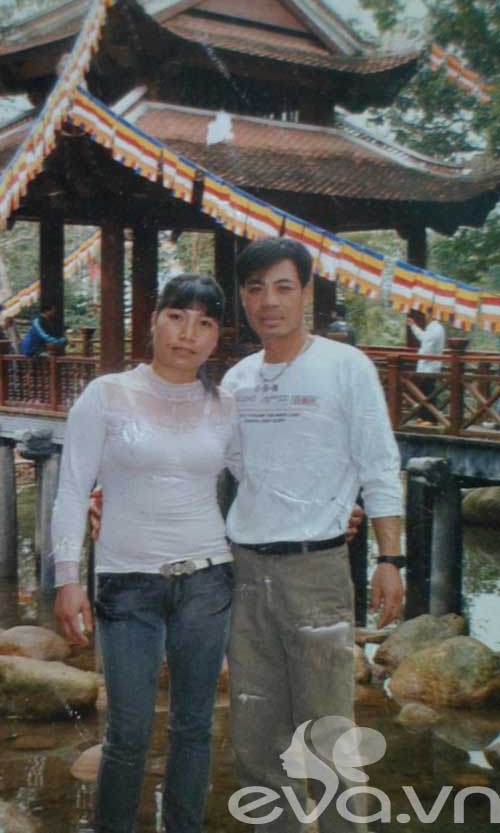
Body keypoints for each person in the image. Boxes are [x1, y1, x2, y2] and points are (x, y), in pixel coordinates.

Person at [221, 237, 404, 833]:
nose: (268, 302)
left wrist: (390, 558)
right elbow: (231, 468)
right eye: (255, 289)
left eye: (283, 287)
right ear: (243, 298)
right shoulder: (238, 380)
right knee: (257, 740)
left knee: (328, 738)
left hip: (317, 572)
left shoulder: (346, 367)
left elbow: (379, 465)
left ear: (306, 294)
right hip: (247, 573)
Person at [52, 274, 240, 833]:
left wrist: (333, 512)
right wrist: (68, 577)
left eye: (204, 323)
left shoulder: (226, 406)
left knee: (193, 728)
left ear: (216, 337)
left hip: (207, 580)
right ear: (154, 321)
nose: (188, 334)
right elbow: (72, 489)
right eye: (177, 317)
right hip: (126, 582)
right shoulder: (108, 394)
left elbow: (262, 481)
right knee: (128, 732)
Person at [407, 310, 445, 424]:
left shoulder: (435, 329)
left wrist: (418, 354)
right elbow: (424, 337)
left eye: (427, 314)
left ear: (431, 315)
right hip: (427, 366)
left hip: (429, 367)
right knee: (423, 392)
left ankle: (430, 419)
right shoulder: (433, 328)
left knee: (429, 393)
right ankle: (423, 416)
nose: (425, 317)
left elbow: (427, 349)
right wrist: (413, 326)